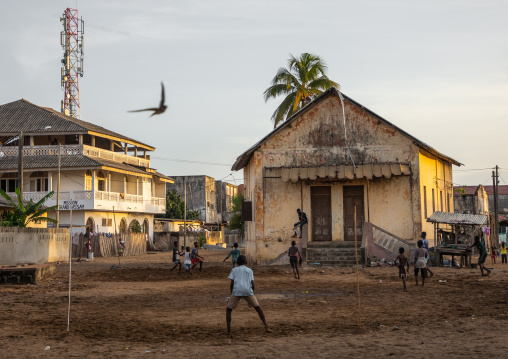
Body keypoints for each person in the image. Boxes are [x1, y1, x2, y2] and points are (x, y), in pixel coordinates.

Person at [226, 255, 272, 335]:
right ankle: (266, 326)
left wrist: (232, 293)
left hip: (236, 291)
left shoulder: (234, 270)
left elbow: (232, 283)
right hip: (248, 291)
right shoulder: (249, 270)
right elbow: (252, 283)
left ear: (237, 262)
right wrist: (252, 292)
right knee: (258, 308)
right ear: (246, 262)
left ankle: (229, 331)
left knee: (229, 309)